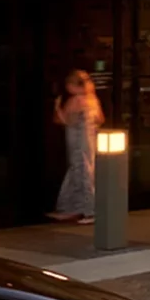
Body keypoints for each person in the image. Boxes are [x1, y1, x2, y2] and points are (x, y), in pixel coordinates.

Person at [48, 70, 102, 223]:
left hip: (78, 142)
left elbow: (64, 121)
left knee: (81, 173)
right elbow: (100, 119)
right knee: (83, 172)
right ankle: (72, 208)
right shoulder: (92, 99)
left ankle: (89, 210)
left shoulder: (75, 100)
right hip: (90, 140)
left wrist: (57, 107)